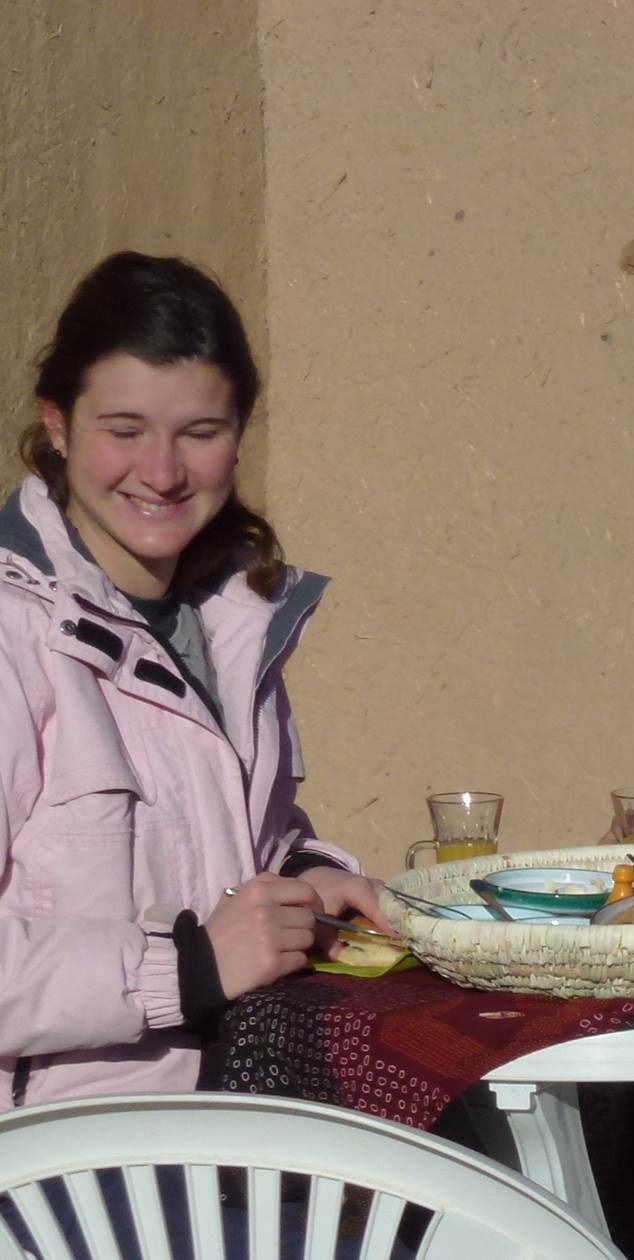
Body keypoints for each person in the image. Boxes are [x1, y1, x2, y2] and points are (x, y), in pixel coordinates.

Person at [0, 251, 390, 1114]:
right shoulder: (12, 635)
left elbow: (223, 850)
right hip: (53, 1183)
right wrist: (182, 972)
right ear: (57, 425)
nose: (164, 471)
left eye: (200, 434)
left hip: (226, 1137)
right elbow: (201, 950)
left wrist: (308, 878)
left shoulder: (233, 618)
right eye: (125, 429)